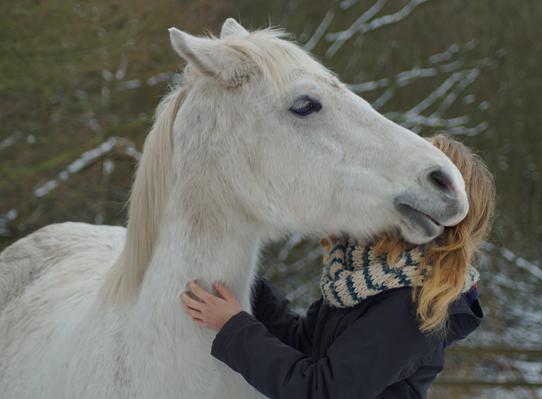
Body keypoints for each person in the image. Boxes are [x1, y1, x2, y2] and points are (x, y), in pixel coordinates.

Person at [180, 133, 495, 398]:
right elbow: (306, 345)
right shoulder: (367, 277)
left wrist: (234, 328)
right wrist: (248, 284)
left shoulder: (414, 307)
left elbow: (322, 390)